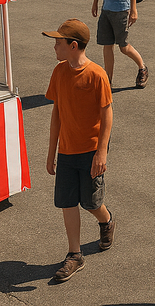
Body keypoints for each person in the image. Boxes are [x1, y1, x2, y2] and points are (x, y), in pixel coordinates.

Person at [42, 19, 114, 282]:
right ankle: (75, 254)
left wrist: (102, 152)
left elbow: (107, 114)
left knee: (91, 202)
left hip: (91, 150)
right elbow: (57, 113)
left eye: (58, 43)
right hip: (67, 151)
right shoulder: (59, 72)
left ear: (73, 46)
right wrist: (51, 152)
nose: (54, 48)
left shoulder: (97, 74)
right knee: (68, 202)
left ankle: (106, 221)